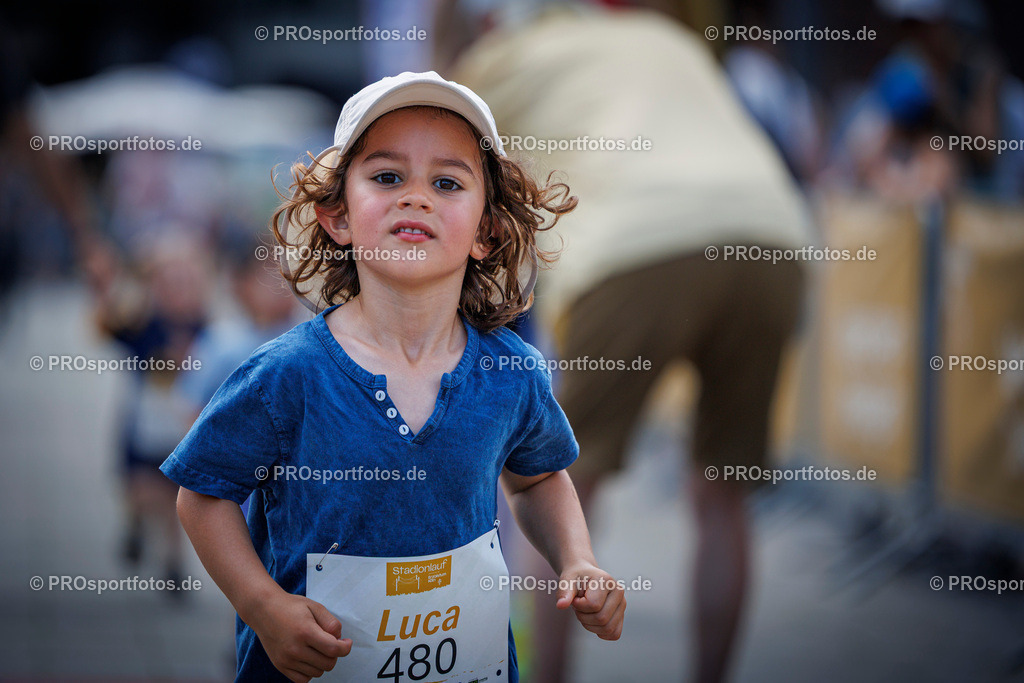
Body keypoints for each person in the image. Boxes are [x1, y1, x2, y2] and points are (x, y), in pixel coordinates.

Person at [161, 71, 625, 683]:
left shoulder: (512, 371)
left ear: (487, 230)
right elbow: (203, 495)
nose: (416, 197)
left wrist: (578, 560)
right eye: (386, 177)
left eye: (447, 182)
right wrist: (263, 606)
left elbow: (538, 479)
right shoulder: (286, 374)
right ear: (338, 217)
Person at [449, 5, 808, 682]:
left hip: (631, 247)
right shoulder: (667, 36)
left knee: (553, 483)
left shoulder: (508, 55)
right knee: (722, 494)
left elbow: (438, 157)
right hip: (773, 237)